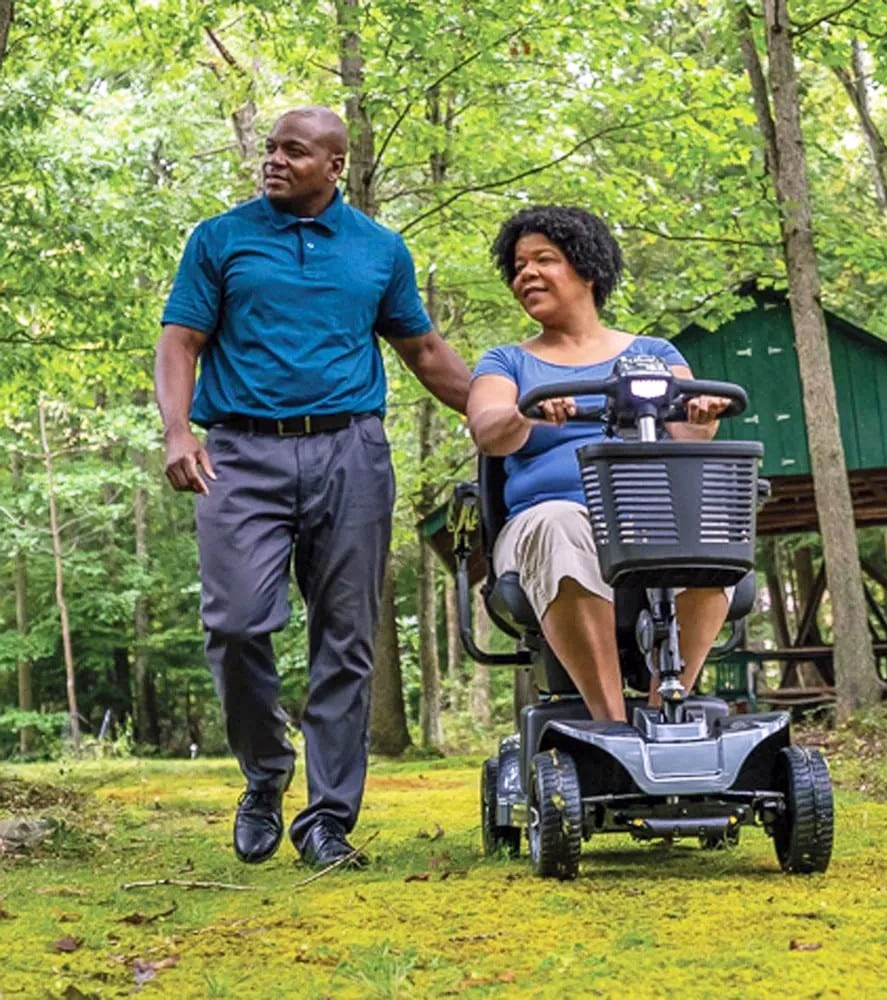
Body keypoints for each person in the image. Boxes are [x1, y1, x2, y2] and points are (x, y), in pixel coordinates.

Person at [154, 106, 470, 868]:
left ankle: (328, 821)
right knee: (234, 626)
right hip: (239, 454)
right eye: (269, 149)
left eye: (293, 151)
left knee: (346, 640)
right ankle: (265, 775)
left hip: (351, 454)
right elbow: (180, 341)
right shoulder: (221, 238)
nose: (273, 161)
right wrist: (176, 430)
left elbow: (424, 350)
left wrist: (508, 414)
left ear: (335, 164)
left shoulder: (378, 250)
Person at [466, 205, 731, 722]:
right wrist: (528, 413)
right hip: (547, 520)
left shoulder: (653, 353)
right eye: (519, 266)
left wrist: (700, 413)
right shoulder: (507, 362)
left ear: (587, 269)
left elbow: (691, 431)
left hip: (646, 520)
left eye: (545, 260)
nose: (528, 274)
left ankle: (663, 710)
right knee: (563, 523)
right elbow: (488, 429)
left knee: (715, 525)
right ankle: (610, 725)